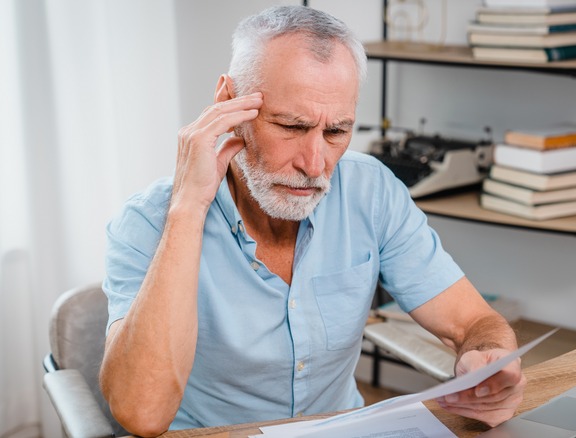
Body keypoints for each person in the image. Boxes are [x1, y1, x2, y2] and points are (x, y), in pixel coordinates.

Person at [100, 5, 525, 437]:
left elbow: (475, 324)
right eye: (291, 125)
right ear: (229, 104)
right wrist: (189, 208)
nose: (315, 163)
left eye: (337, 132)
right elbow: (142, 414)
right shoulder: (147, 222)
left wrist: (488, 361)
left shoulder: (371, 191)